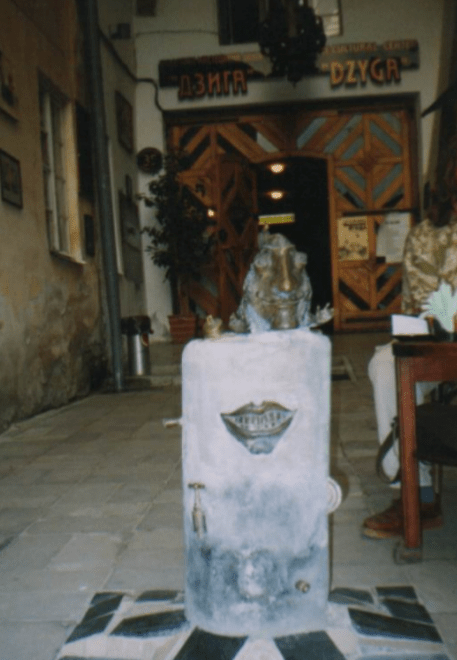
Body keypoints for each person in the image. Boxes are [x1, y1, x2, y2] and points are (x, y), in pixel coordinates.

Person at [363, 160, 457, 539]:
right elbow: (430, 305)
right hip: (440, 346)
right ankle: (417, 494)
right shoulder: (426, 237)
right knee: (385, 366)